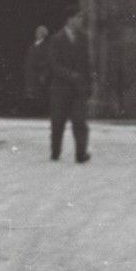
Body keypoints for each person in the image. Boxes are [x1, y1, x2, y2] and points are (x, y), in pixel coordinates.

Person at [44, 10, 92, 163]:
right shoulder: (56, 39)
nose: (81, 21)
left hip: (78, 89)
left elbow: (87, 64)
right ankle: (55, 152)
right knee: (58, 122)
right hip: (60, 88)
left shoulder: (83, 38)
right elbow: (54, 64)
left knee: (79, 121)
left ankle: (81, 154)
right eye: (79, 17)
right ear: (70, 19)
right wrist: (69, 75)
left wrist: (89, 84)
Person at [23, 23, 53, 116]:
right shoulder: (33, 45)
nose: (37, 34)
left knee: (39, 94)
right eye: (37, 32)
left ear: (43, 34)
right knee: (31, 93)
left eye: (39, 32)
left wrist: (42, 71)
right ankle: (32, 111)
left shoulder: (46, 46)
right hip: (31, 73)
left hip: (39, 73)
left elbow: (48, 60)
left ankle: (40, 112)